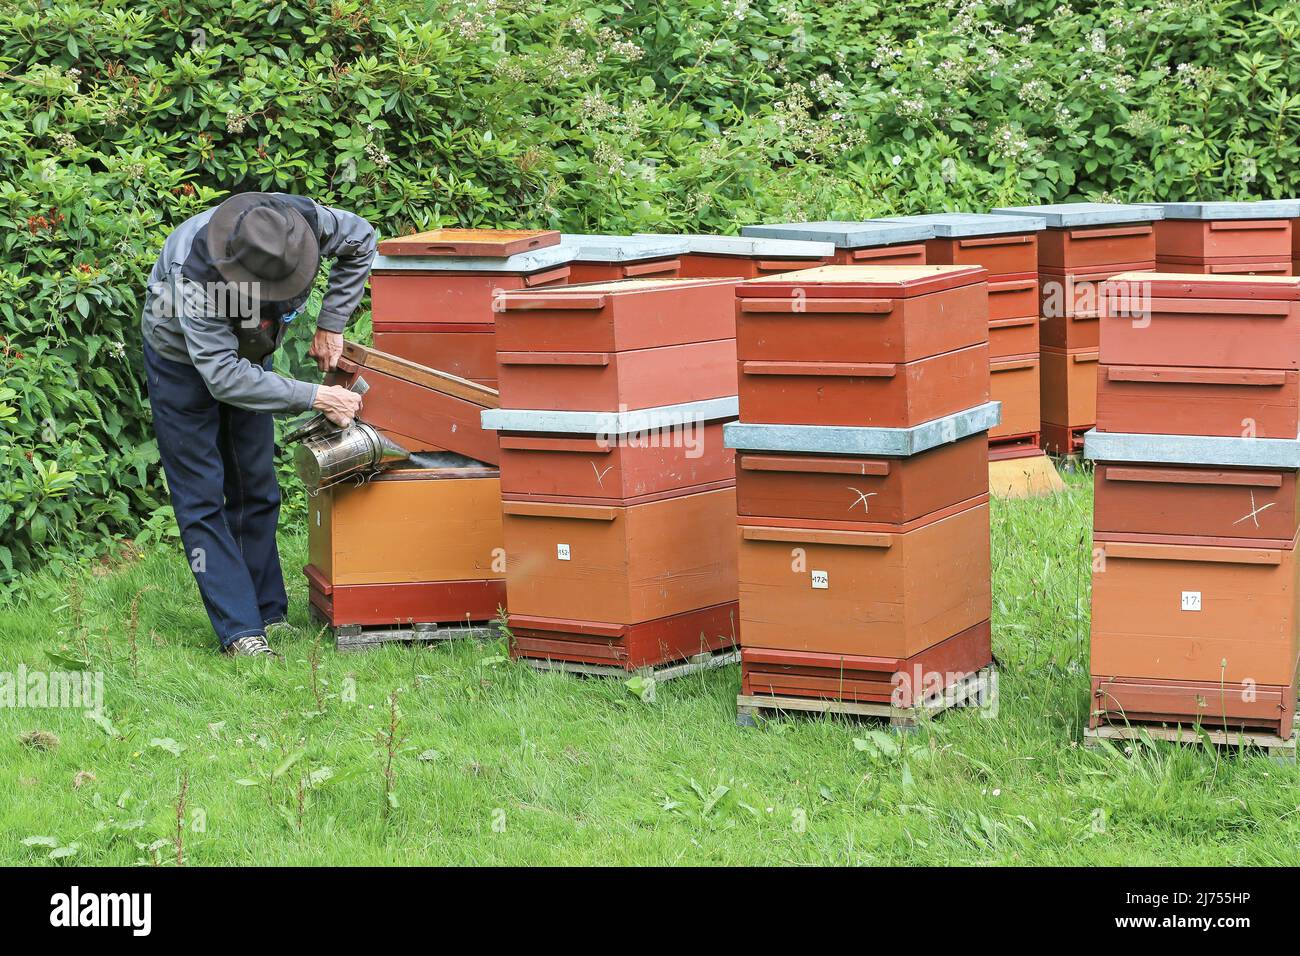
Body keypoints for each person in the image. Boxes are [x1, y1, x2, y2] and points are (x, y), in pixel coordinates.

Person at [140, 192, 375, 656]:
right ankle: (241, 631)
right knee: (202, 494)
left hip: (250, 356)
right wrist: (316, 395)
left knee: (256, 483)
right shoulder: (198, 276)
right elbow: (224, 378)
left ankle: (269, 613)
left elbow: (362, 240)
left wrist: (332, 322)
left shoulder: (301, 223)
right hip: (181, 362)